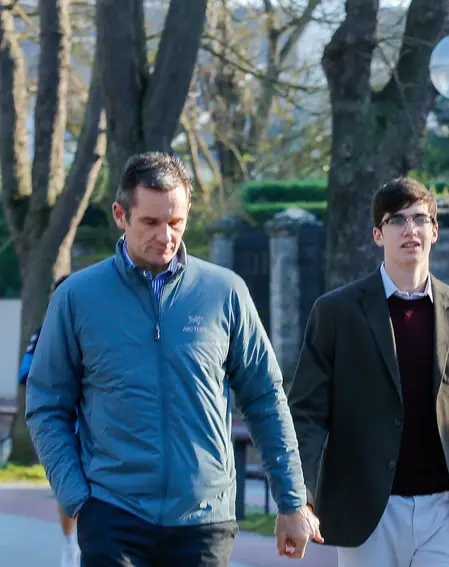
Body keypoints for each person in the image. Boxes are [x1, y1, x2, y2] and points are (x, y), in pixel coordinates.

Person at [25, 152, 322, 566]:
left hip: (204, 522)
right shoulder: (76, 297)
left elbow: (265, 399)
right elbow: (46, 405)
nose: (166, 235)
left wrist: (291, 502)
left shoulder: (225, 292)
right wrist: (78, 498)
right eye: (150, 222)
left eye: (176, 222)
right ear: (120, 215)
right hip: (113, 517)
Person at [287, 177, 449, 567]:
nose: (410, 230)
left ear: (434, 230)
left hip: (448, 514)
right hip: (367, 513)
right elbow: (308, 414)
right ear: (378, 235)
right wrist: (301, 497)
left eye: (419, 219)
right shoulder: (336, 312)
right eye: (397, 220)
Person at [18, 274, 78, 567]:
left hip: (101, 428)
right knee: (70, 489)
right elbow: (26, 375)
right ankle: (70, 545)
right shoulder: (43, 333)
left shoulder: (99, 329)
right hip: (66, 428)